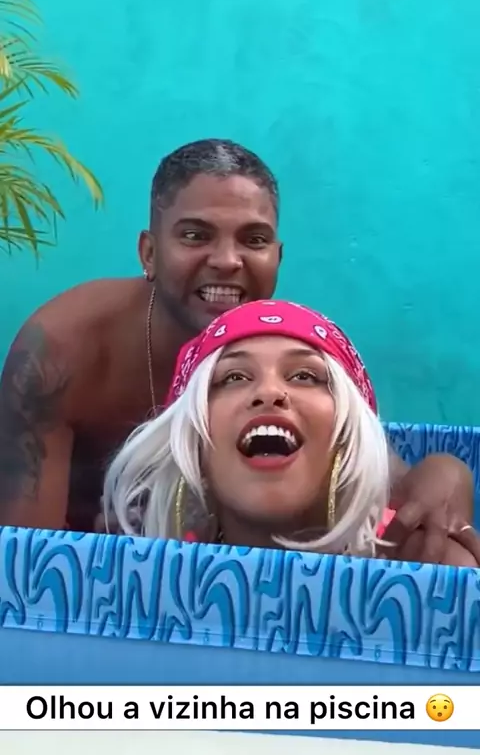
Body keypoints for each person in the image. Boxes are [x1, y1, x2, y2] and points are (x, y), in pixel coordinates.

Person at [0, 139, 477, 563]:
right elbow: (25, 565)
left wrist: (448, 472)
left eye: (254, 239)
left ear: (277, 257)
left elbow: (373, 472)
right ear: (149, 253)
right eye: (195, 235)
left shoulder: (286, 348)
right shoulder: (63, 349)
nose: (228, 261)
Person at [103, 300, 475, 566]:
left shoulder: (424, 565)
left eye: (305, 376)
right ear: (193, 443)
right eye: (233, 377)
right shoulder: (137, 570)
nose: (269, 391)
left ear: (349, 438)